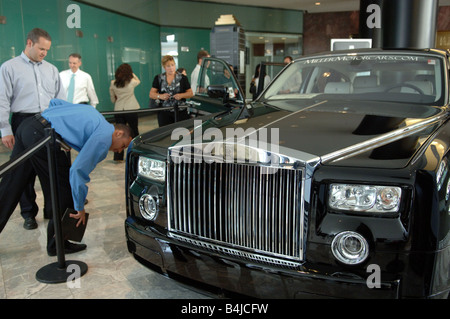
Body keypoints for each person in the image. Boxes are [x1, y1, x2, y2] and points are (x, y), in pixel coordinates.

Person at [0, 99, 133, 256]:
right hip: (44, 136)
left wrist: (63, 128)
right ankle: (57, 245)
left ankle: (57, 243)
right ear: (118, 133)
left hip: (28, 126)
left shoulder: (94, 115)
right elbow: (77, 172)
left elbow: (55, 102)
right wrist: (79, 207)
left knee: (10, 185)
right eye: (123, 144)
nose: (119, 150)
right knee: (64, 190)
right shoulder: (104, 137)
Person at [0, 28, 66, 229]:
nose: (44, 53)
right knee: (22, 171)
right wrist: (5, 130)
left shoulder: (52, 69)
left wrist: (63, 128)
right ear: (29, 43)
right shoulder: (9, 67)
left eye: (47, 50)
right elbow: (2, 100)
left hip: (48, 122)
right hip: (22, 122)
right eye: (41, 48)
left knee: (52, 169)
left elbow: (60, 100)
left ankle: (52, 211)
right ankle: (28, 213)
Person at [149, 55, 193, 127]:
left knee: (180, 132)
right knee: (165, 133)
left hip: (180, 111)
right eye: (168, 66)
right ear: (164, 67)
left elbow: (190, 93)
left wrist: (181, 95)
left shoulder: (183, 78)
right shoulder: (158, 78)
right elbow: (151, 94)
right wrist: (160, 96)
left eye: (172, 65)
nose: (171, 68)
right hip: (164, 112)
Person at [109, 63, 140, 161]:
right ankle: (137, 153)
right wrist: (131, 73)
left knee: (118, 134)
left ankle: (118, 156)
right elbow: (138, 80)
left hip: (118, 109)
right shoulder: (131, 82)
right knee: (134, 130)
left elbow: (112, 99)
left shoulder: (113, 83)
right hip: (131, 108)